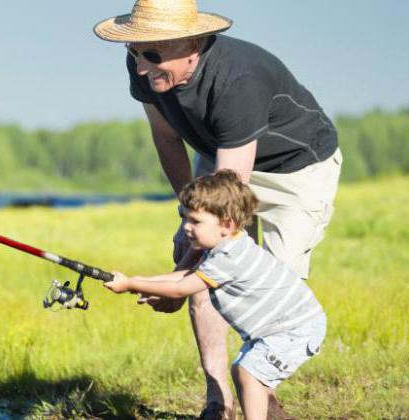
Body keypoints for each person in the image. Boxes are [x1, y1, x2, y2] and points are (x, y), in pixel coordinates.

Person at [93, 0, 341, 418]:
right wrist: (184, 215)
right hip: (220, 155)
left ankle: (260, 386)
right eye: (134, 52)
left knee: (257, 281)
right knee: (197, 250)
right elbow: (166, 137)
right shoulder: (144, 65)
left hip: (294, 173)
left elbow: (227, 201)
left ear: (193, 43)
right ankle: (217, 399)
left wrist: (182, 273)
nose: (140, 66)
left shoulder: (237, 79)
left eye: (152, 54)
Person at [104, 170, 326, 420]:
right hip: (280, 329)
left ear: (227, 224)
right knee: (244, 373)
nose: (187, 228)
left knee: (246, 372)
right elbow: (181, 276)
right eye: (184, 218)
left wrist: (133, 283)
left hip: (294, 329)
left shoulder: (229, 257)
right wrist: (134, 282)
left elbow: (181, 288)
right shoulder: (225, 245)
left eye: (195, 221)